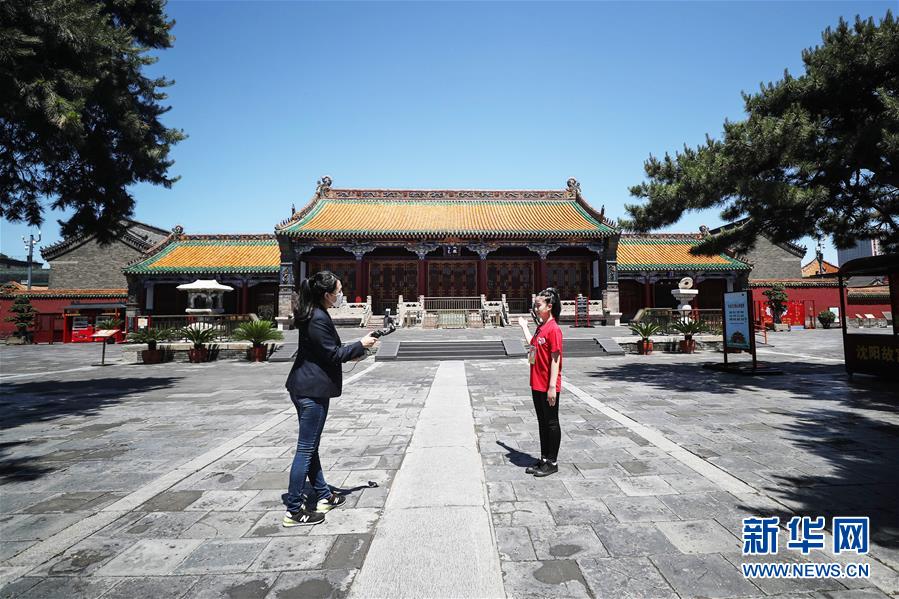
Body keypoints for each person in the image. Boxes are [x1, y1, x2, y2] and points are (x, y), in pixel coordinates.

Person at [281, 271, 378, 526]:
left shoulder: (314, 313)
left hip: (307, 385)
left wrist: (357, 349)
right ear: (327, 295)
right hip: (311, 390)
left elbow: (325, 352)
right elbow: (333, 354)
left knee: (310, 446)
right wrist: (361, 344)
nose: (341, 295)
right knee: (305, 449)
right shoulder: (317, 318)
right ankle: (294, 509)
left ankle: (324, 495)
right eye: (338, 291)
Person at [517, 288, 563, 477]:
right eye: (535, 306)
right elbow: (533, 345)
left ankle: (552, 462)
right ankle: (544, 459)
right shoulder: (541, 327)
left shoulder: (554, 329)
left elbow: (555, 359)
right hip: (536, 382)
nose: (536, 309)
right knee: (542, 422)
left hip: (547, 384)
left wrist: (552, 386)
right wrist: (524, 327)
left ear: (549, 306)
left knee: (551, 422)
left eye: (538, 305)